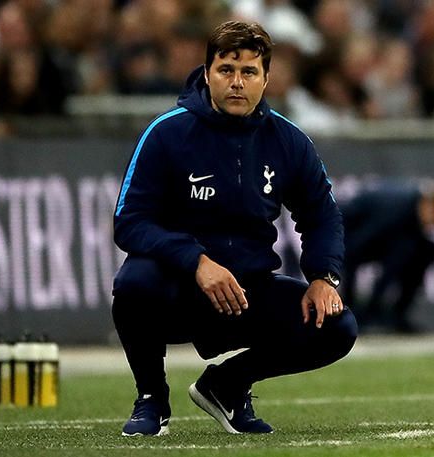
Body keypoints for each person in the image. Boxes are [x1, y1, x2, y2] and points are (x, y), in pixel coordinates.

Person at [111, 21, 357, 437]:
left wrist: (323, 276)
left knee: (337, 326)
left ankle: (226, 386)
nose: (237, 83)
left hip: (247, 291)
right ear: (207, 73)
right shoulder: (167, 133)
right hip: (180, 288)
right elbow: (129, 221)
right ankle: (151, 397)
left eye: (249, 72)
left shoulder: (289, 141)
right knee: (133, 284)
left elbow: (321, 215)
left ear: (267, 79)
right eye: (227, 70)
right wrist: (196, 261)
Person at [340, 182, 434, 334]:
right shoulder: (393, 213)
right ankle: (363, 314)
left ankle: (396, 315)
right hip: (346, 235)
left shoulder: (411, 228)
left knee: (426, 251)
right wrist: (350, 306)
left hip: (373, 243)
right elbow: (352, 251)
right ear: (432, 208)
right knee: (405, 249)